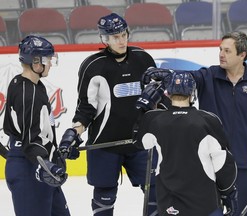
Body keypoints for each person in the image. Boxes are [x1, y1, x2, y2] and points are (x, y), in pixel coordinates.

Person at [142, 31, 247, 216]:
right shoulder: (208, 76)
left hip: (241, 166)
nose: (221, 54)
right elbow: (186, 77)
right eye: (220, 49)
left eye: (227, 50)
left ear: (242, 55)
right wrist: (167, 75)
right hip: (204, 165)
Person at [58, 13, 159, 215]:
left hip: (140, 144)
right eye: (115, 37)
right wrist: (75, 132)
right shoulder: (93, 66)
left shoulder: (143, 59)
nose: (121, 41)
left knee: (156, 192)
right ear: (105, 39)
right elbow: (86, 109)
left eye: (123, 35)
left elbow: (156, 100)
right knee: (104, 196)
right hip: (104, 145)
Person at [133, 71, 238, 216]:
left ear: (168, 94)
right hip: (204, 204)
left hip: (168, 204)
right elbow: (224, 164)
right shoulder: (208, 120)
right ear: (192, 94)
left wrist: (143, 107)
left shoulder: (153, 119)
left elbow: (138, 141)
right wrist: (228, 193)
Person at [3, 35, 70, 216]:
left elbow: (38, 131)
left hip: (37, 165)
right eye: (47, 59)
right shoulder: (28, 93)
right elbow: (30, 141)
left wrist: (58, 152)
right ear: (36, 62)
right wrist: (45, 163)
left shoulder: (27, 84)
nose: (49, 64)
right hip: (29, 169)